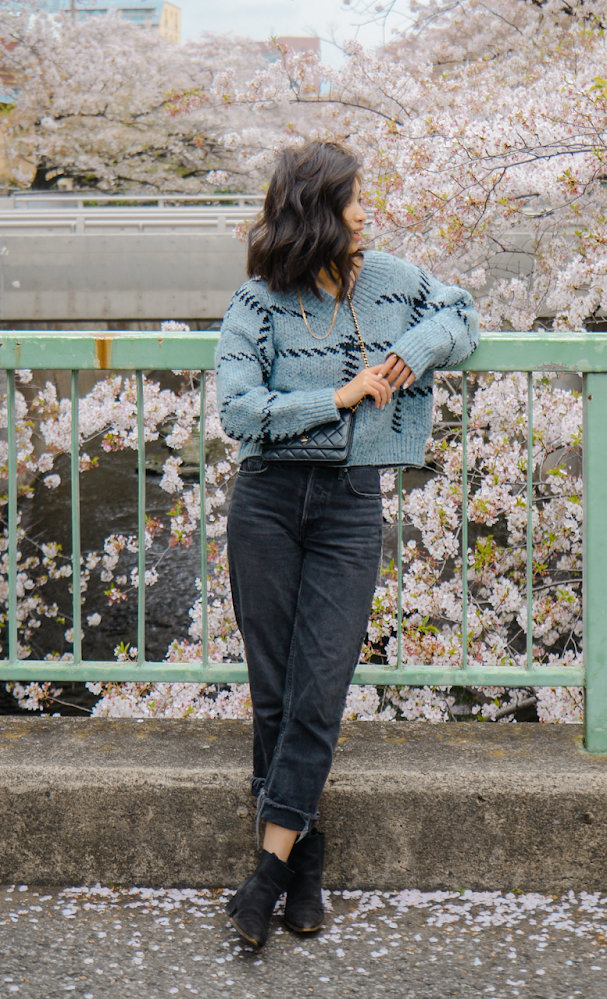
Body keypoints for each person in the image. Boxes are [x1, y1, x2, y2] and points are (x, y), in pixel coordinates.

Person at [215, 139, 479, 948]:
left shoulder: (395, 282)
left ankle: (264, 876)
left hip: (349, 506)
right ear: (318, 211)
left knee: (319, 690)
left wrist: (408, 355)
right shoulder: (258, 302)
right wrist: (334, 396)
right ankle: (306, 857)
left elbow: (461, 316)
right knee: (274, 694)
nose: (367, 213)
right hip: (265, 503)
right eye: (354, 200)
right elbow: (238, 413)